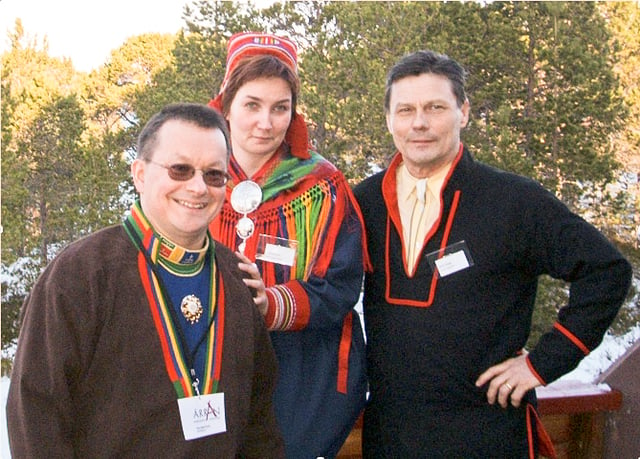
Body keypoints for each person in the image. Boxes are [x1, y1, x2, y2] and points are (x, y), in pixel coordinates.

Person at [353, 50, 633, 458]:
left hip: (488, 434)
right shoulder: (362, 203)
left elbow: (606, 270)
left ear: (463, 112)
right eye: (406, 110)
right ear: (389, 119)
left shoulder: (513, 201)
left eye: (435, 107)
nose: (419, 122)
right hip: (391, 436)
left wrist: (543, 363)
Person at [6, 103, 285, 458]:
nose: (198, 187)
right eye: (180, 169)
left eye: (214, 175)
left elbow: (259, 420)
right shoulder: (80, 275)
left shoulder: (236, 276)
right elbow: (36, 417)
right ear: (139, 173)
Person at [207, 32, 368, 458]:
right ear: (226, 103)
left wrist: (272, 304)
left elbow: (341, 286)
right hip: (206, 374)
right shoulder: (192, 179)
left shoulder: (321, 186)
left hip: (298, 382)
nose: (266, 122)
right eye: (252, 105)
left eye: (281, 108)